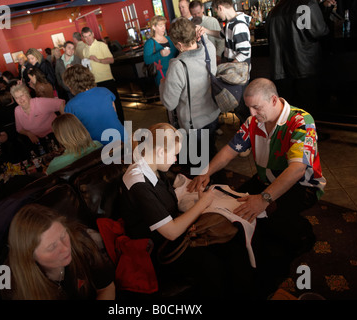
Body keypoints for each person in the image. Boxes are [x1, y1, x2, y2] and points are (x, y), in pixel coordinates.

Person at [188, 78, 326, 296]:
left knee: (268, 223)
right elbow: (230, 150)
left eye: (256, 107)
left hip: (301, 186)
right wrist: (206, 171)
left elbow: (297, 170)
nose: (251, 114)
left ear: (273, 100)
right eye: (248, 107)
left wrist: (263, 199)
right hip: (266, 180)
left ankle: (301, 236)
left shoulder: (301, 120)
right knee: (237, 206)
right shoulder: (254, 121)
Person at [120, 122, 256, 299]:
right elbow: (171, 232)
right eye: (175, 154)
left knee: (231, 245)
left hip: (169, 235)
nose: (176, 160)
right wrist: (202, 203)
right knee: (212, 266)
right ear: (161, 152)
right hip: (156, 249)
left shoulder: (152, 166)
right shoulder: (138, 182)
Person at [6, 203, 115, 300]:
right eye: (52, 247)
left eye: (63, 236)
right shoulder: (13, 286)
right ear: (30, 256)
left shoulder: (80, 242)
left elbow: (106, 287)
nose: (65, 248)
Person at [160, 17, 221, 162]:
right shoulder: (209, 49)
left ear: (179, 45)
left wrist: (163, 84)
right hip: (213, 114)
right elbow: (204, 41)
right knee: (211, 151)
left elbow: (170, 104)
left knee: (199, 163)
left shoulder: (178, 65)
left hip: (195, 125)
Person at [265, 0, 330, 116]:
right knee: (307, 110)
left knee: (288, 111)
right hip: (305, 66)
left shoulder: (274, 10)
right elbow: (320, 31)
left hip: (280, 70)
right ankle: (308, 133)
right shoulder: (308, 4)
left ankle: (292, 133)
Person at [196, 0, 252, 123]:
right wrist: (205, 30)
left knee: (241, 107)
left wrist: (229, 67)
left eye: (216, 11)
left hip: (238, 73)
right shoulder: (231, 23)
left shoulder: (239, 26)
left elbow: (245, 52)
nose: (217, 14)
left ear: (220, 8)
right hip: (234, 70)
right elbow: (221, 34)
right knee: (238, 106)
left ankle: (249, 135)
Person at [62, 64, 126, 146]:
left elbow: (75, 134)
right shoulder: (105, 91)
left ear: (70, 85)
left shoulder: (70, 106)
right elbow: (114, 113)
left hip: (99, 148)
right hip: (122, 139)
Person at [81, 27, 124, 124]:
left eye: (89, 36)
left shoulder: (102, 45)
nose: (88, 39)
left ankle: (122, 123)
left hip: (107, 79)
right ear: (83, 38)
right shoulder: (84, 50)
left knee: (115, 103)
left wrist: (98, 60)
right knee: (102, 106)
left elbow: (111, 60)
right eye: (85, 37)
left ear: (92, 35)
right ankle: (109, 124)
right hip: (94, 82)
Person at [10, 84, 64, 154]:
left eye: (22, 96)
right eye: (17, 98)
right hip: (37, 141)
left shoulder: (39, 103)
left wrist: (64, 123)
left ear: (27, 94)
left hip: (55, 135)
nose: (20, 100)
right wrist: (28, 133)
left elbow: (60, 103)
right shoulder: (17, 110)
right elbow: (19, 129)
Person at [143, 15, 178, 87]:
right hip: (162, 76)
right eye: (160, 25)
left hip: (176, 73)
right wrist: (160, 54)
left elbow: (176, 54)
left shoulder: (169, 39)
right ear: (153, 27)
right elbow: (147, 60)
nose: (164, 28)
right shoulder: (150, 43)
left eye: (164, 25)